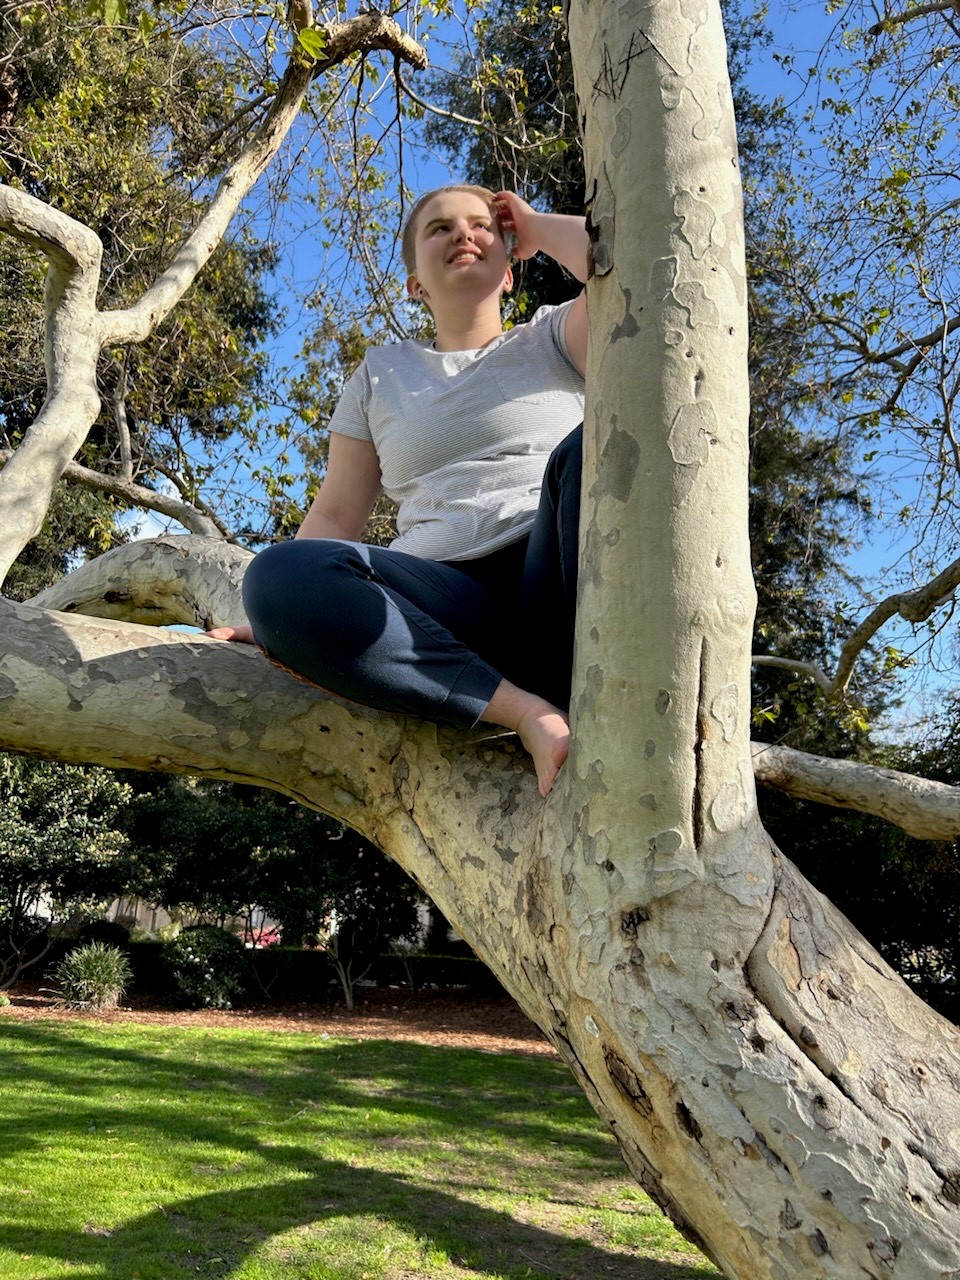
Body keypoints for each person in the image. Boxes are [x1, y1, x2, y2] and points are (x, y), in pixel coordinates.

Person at [209, 186, 588, 796]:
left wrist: (537, 226)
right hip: (451, 609)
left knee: (589, 446)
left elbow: (633, 276)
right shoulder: (381, 375)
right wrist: (273, 614)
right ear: (415, 283)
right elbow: (335, 514)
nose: (464, 235)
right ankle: (522, 710)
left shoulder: (553, 336)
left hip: (563, 578)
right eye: (439, 229)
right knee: (277, 574)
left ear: (512, 268)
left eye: (482, 225)